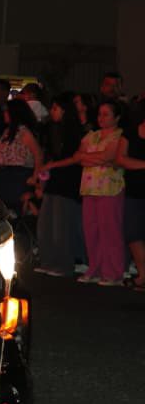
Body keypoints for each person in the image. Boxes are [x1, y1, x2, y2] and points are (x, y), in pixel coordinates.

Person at [34, 93, 88, 277]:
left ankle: (64, 264)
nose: (52, 112)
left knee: (61, 226)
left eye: (55, 108)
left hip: (67, 180)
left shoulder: (73, 130)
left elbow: (74, 158)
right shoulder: (53, 129)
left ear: (64, 110)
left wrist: (52, 165)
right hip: (54, 180)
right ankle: (48, 261)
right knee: (45, 224)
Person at [75, 100, 127, 286]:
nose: (101, 118)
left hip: (110, 188)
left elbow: (109, 156)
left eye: (106, 114)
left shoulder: (119, 136)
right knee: (91, 230)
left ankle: (113, 272)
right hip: (90, 187)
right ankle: (95, 268)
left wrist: (92, 158)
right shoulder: (92, 135)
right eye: (100, 114)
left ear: (117, 117)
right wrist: (96, 159)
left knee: (110, 230)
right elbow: (79, 157)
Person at [0, 99, 44, 217]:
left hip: (19, 174)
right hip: (5, 174)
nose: (4, 114)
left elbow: (38, 155)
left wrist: (35, 176)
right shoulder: (8, 130)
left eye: (7, 112)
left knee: (18, 206)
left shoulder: (24, 132)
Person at [115, 106, 145, 291]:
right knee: (133, 233)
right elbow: (120, 159)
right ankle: (143, 274)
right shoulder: (131, 132)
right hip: (134, 189)